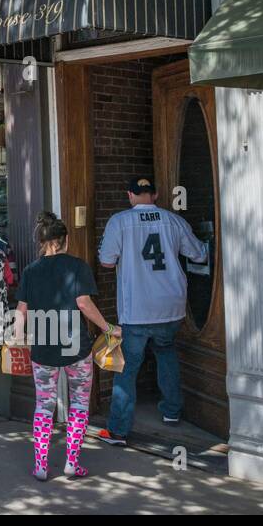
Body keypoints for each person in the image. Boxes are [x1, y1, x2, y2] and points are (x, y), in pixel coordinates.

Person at [97, 175, 208, 445]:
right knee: (166, 352)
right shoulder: (174, 221)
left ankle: (118, 431)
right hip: (171, 306)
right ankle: (172, 411)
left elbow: (107, 261)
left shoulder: (120, 221)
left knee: (128, 367)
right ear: (155, 195)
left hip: (137, 308)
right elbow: (200, 254)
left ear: (130, 195)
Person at [16, 212, 118, 480]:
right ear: (65, 240)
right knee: (80, 404)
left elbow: (21, 311)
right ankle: (72, 461)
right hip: (76, 348)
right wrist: (108, 328)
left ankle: (40, 465)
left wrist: (17, 338)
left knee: (44, 406)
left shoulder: (30, 271)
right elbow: (84, 303)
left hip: (43, 348)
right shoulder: (77, 266)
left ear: (42, 242)